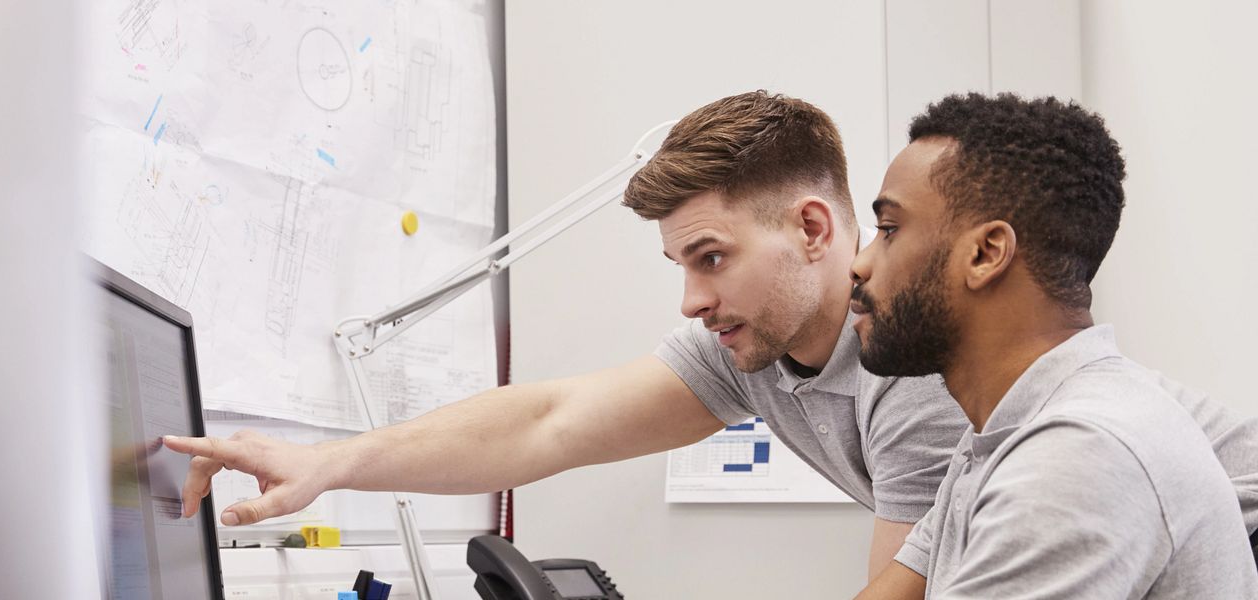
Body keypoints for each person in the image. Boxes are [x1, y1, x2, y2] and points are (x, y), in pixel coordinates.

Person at [162, 91, 1258, 579]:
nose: (691, 300)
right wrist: (329, 463)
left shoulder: (926, 376)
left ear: (813, 230)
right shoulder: (765, 347)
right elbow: (547, 424)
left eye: (710, 258)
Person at [851, 93, 1258, 598]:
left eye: (889, 231)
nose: (860, 264)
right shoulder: (1005, 428)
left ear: (985, 253)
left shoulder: (1077, 457)